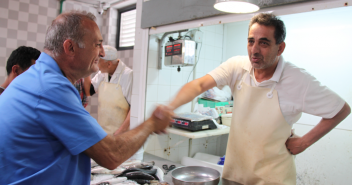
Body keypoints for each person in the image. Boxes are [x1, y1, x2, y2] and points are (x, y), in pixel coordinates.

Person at [166, 13, 350, 184]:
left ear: (280, 47)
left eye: (263, 43)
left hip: (273, 178)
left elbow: (341, 109)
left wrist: (304, 142)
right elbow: (199, 85)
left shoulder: (297, 80)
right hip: (234, 175)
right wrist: (170, 107)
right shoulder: (237, 67)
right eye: (250, 41)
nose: (254, 50)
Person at [0, 10, 172, 185]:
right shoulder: (51, 88)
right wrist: (151, 123)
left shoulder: (35, 78)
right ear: (70, 48)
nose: (103, 53)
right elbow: (112, 155)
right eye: (97, 44)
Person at [90, 45, 133, 135]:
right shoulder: (103, 73)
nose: (97, 65)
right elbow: (89, 90)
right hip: (103, 132)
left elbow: (134, 108)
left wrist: (120, 131)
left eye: (98, 62)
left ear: (109, 64)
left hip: (121, 134)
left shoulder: (128, 75)